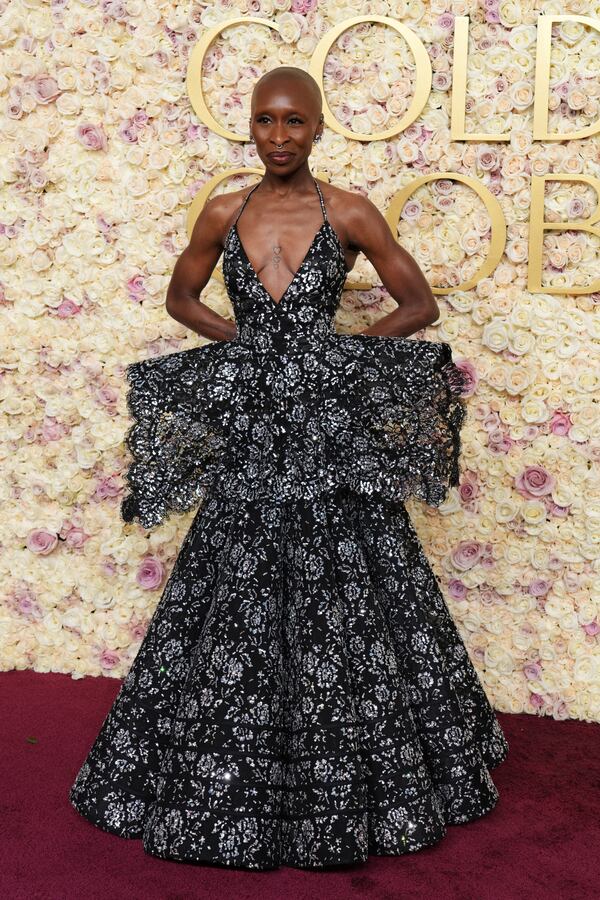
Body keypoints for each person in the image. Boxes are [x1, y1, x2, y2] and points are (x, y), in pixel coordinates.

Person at [69, 66, 509, 871]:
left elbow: (419, 307)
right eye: (266, 121)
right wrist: (249, 351)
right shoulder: (223, 212)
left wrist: (330, 361)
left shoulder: (347, 211)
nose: (279, 137)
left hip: (324, 433)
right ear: (249, 125)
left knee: (355, 581)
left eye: (294, 123)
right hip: (254, 437)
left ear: (317, 127)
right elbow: (182, 299)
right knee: (232, 578)